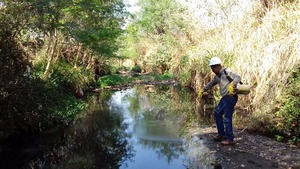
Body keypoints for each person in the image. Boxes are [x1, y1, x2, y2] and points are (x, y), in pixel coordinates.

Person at [200, 56, 241, 145]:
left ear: (218, 66)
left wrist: (232, 84)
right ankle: (221, 135)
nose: (212, 70)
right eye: (211, 68)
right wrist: (203, 90)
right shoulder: (217, 76)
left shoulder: (227, 71)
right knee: (217, 113)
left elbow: (238, 77)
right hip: (225, 98)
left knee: (227, 117)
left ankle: (230, 139)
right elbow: (211, 83)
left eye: (213, 68)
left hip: (231, 97)